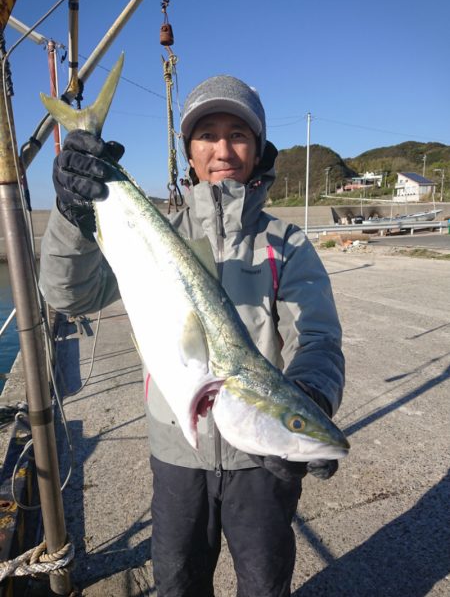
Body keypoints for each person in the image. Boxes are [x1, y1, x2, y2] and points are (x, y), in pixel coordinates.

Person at [40, 75, 345, 597]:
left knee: (265, 583)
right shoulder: (159, 233)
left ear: (259, 146)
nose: (223, 149)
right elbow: (69, 295)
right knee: (177, 582)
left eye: (238, 134)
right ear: (189, 151)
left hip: (260, 467)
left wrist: (310, 400)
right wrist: (73, 218)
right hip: (177, 456)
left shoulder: (287, 244)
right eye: (207, 134)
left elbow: (316, 338)